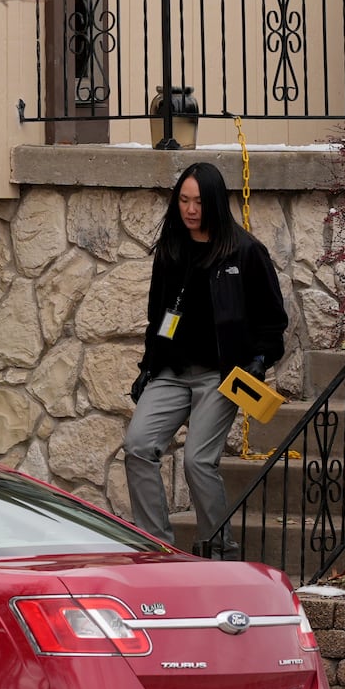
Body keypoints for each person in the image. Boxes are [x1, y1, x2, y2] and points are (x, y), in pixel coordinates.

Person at [123, 162, 288, 558]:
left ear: (213, 202)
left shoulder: (245, 252)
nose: (190, 209)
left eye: (198, 201)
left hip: (221, 374)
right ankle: (156, 546)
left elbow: (273, 321)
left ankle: (218, 548)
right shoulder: (172, 250)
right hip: (171, 371)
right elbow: (159, 316)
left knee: (198, 460)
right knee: (137, 446)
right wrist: (149, 366)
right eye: (183, 199)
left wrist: (260, 359)